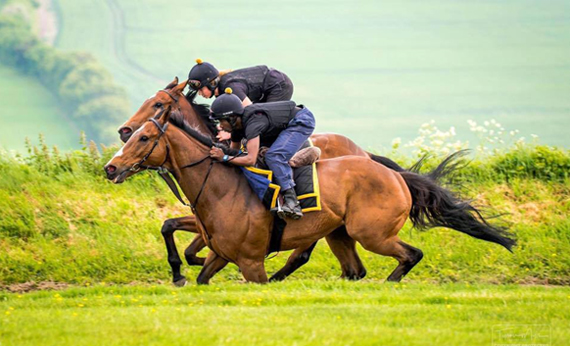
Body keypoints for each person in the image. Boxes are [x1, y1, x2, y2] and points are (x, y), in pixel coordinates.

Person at [209, 88, 315, 220]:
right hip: (282, 124)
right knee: (263, 155)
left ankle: (292, 202)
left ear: (231, 118)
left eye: (221, 121)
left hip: (301, 121)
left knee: (274, 156)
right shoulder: (237, 126)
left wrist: (224, 157)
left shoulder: (253, 123)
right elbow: (235, 153)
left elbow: (250, 160)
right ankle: (291, 160)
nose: (220, 126)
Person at [188, 59, 294, 140]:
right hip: (267, 87)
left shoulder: (230, 87)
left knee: (263, 124)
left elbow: (251, 111)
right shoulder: (222, 89)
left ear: (212, 83)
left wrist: (230, 133)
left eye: (200, 90)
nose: (199, 94)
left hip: (278, 86)